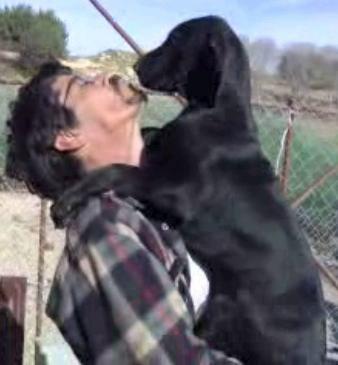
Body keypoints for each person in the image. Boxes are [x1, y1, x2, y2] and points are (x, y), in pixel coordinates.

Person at [5, 61, 242, 364]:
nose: (103, 76)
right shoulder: (103, 232)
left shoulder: (161, 197)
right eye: (81, 85)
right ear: (68, 135)